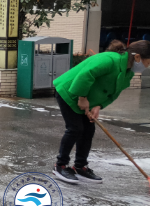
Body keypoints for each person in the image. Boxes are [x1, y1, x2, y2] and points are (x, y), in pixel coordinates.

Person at [52, 40, 150, 185]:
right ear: (137, 57)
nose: (147, 66)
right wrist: (82, 97)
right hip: (68, 92)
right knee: (75, 128)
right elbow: (86, 75)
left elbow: (113, 94)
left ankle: (80, 166)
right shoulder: (109, 60)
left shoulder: (127, 74)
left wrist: (98, 105)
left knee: (88, 130)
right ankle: (60, 166)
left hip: (87, 99)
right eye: (148, 62)